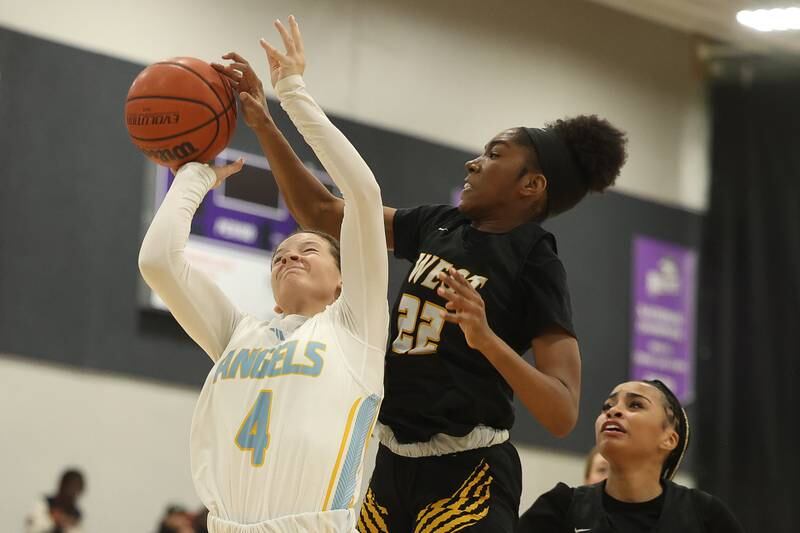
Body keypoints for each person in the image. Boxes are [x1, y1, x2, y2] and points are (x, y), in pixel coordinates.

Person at [214, 15, 627, 530]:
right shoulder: (440, 223)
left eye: (495, 155)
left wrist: (487, 340)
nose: (473, 164)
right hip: (385, 461)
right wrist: (263, 122)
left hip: (468, 469)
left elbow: (563, 412)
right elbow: (323, 214)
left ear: (530, 186)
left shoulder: (535, 259)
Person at [138, 17, 389, 532]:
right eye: (280, 255)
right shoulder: (238, 333)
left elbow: (362, 196)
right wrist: (195, 174)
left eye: (309, 248)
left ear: (343, 282)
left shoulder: (355, 328)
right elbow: (158, 262)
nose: (289, 256)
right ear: (272, 293)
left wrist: (291, 95)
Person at [517, 380, 745, 532]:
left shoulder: (704, 516)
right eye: (607, 406)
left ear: (669, 439)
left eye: (635, 405)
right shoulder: (560, 507)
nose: (613, 411)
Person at [25, 469, 85, 533]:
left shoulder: (76, 516)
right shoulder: (43, 504)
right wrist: (52, 520)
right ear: (61, 485)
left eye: (75, 491)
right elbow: (32, 527)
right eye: (70, 489)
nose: (72, 495)